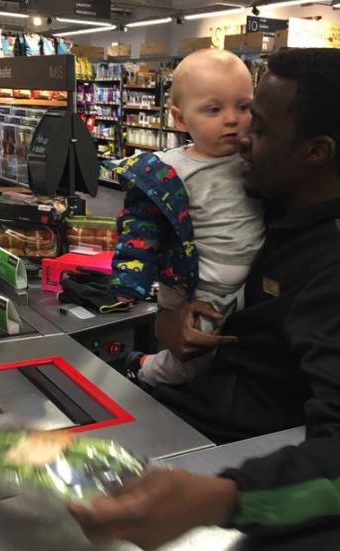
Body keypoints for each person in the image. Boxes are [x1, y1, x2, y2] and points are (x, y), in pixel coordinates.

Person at [69, 48, 340, 550]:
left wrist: (215, 500)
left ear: (316, 150)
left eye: (258, 126)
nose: (240, 136)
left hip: (232, 456)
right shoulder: (276, 204)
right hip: (187, 408)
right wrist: (170, 320)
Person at [107, 49, 265, 387]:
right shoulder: (168, 172)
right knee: (194, 354)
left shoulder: (256, 159)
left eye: (243, 106)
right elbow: (140, 229)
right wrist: (129, 281)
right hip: (194, 283)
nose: (232, 119)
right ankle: (145, 369)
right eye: (213, 109)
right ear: (180, 119)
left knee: (231, 344)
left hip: (240, 280)